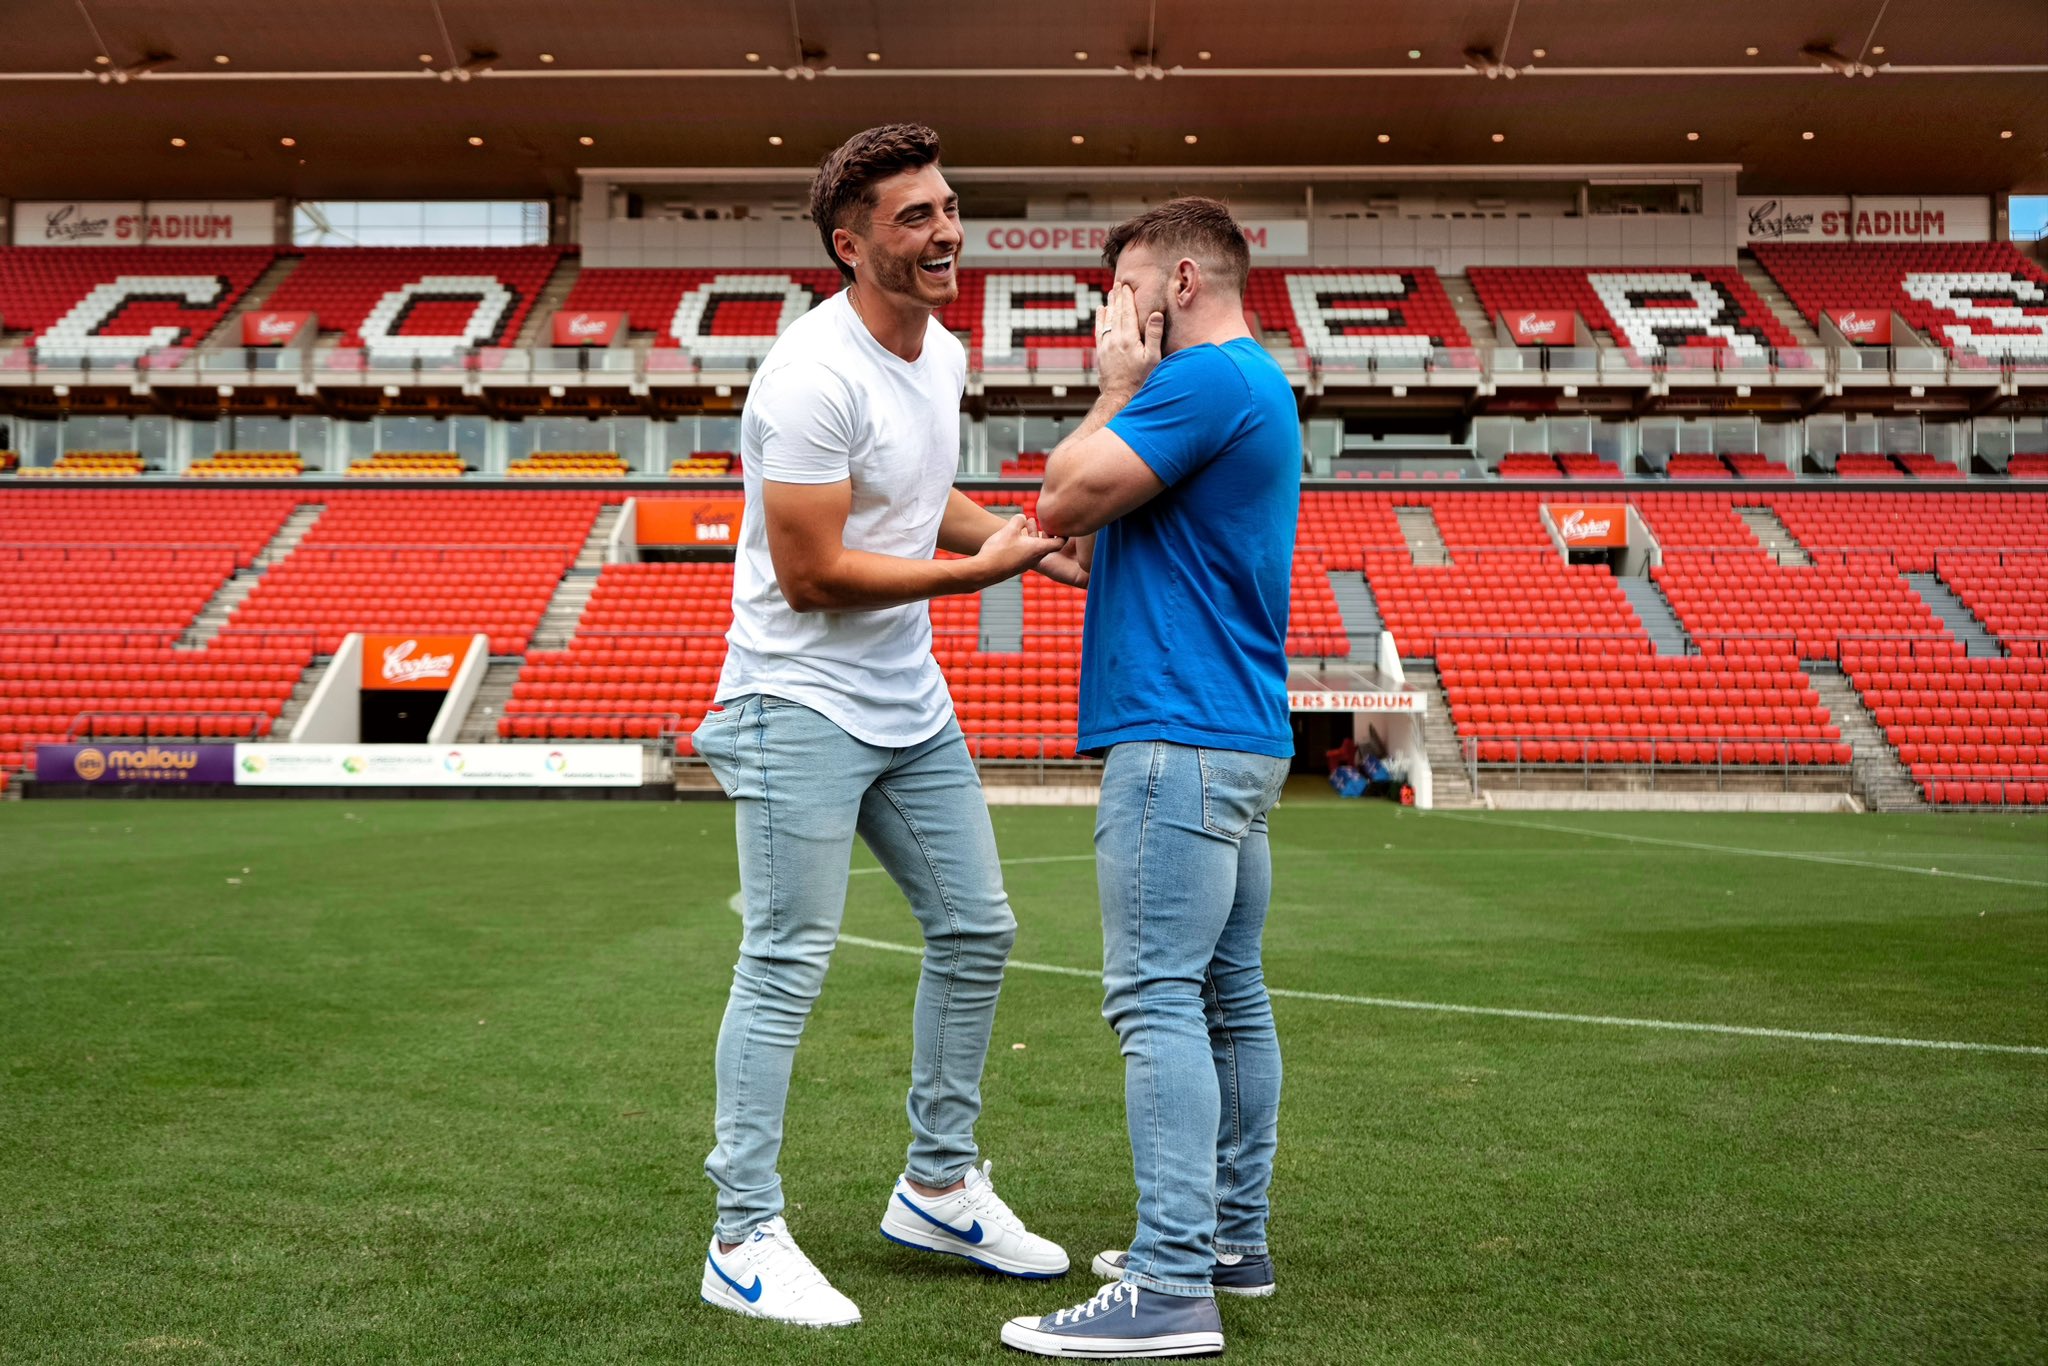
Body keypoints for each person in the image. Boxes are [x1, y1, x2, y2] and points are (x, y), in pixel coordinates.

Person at [694, 123, 1082, 1330]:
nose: (944, 232)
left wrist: (1015, 546)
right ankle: (740, 1234)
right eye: (912, 217)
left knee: (977, 927)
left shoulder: (944, 353)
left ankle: (936, 1182)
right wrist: (975, 582)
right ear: (848, 243)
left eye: (948, 207)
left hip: (905, 703)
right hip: (793, 699)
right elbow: (809, 572)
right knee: (785, 960)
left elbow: (916, 494)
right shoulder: (808, 375)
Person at [999, 198, 1301, 1358]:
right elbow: (1095, 542)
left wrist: (1116, 382)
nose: (1108, 311)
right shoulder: (1252, 382)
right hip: (1231, 733)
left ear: (1178, 281)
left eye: (1121, 288)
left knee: (1155, 998)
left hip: (1174, 739)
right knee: (1227, 996)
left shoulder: (1198, 380)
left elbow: (1064, 496)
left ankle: (1173, 1285)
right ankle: (1230, 1241)